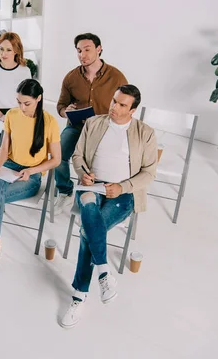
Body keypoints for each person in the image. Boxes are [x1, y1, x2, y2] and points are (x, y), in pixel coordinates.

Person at [59, 85, 157, 329]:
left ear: (133, 110)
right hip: (91, 187)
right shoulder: (93, 123)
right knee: (91, 218)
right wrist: (83, 174)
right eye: (114, 101)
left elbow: (149, 173)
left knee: (87, 231)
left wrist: (122, 188)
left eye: (122, 105)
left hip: (123, 193)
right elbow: (77, 156)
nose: (114, 107)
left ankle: (79, 295)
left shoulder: (145, 133)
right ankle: (104, 272)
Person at [0, 79, 61, 278]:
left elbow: (56, 160)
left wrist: (31, 171)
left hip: (30, 176)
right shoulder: (11, 115)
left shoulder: (50, 122)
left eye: (27, 103)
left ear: (38, 99)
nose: (21, 107)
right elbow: (4, 148)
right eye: (18, 102)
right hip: (9, 167)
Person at [55, 33, 128, 210]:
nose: (82, 55)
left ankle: (93, 197)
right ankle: (65, 190)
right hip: (77, 127)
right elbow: (61, 106)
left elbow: (126, 104)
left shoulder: (116, 77)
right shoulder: (71, 77)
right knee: (57, 157)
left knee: (97, 161)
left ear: (99, 49)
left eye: (87, 49)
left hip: (104, 130)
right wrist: (66, 112)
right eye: (79, 51)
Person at [0, 31, 32, 146]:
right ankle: (5, 161)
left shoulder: (24, 71)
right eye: (1, 49)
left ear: (16, 51)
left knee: (22, 140)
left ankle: (9, 161)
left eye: (8, 50)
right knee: (6, 140)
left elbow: (28, 99)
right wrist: (1, 116)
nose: (3, 53)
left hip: (19, 113)